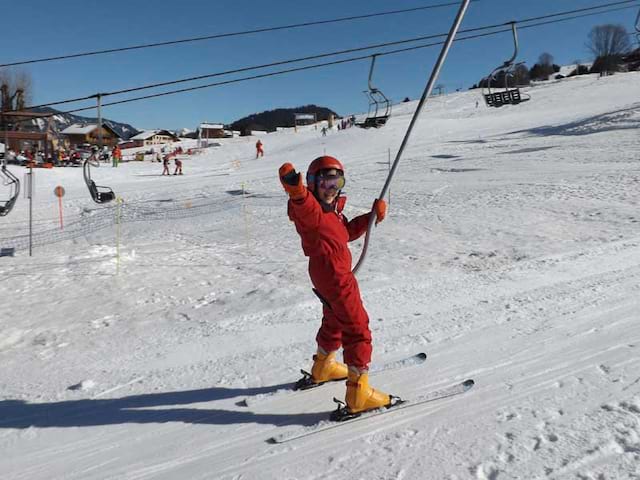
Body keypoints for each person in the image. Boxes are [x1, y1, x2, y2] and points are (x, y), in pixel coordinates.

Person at [278, 156, 390, 416]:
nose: (332, 188)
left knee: (334, 319)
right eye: (326, 182)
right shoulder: (312, 210)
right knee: (357, 326)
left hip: (325, 274)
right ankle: (358, 393)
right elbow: (302, 207)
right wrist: (296, 191)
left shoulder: (333, 213)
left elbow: (345, 233)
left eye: (337, 181)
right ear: (314, 183)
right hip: (336, 276)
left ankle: (323, 366)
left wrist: (371, 216)